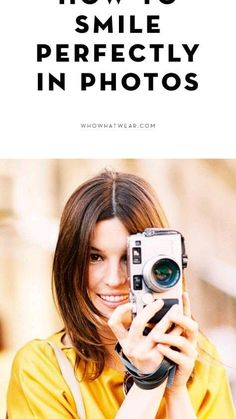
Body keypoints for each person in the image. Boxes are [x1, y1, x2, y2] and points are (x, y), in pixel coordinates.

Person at [7, 170, 236, 418]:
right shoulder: (40, 369)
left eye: (130, 259)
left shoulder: (199, 360)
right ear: (70, 263)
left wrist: (176, 391)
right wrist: (148, 382)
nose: (114, 279)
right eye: (95, 257)